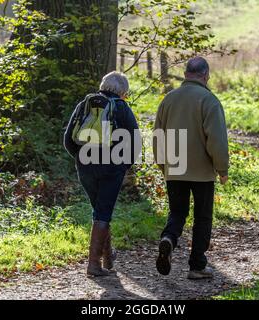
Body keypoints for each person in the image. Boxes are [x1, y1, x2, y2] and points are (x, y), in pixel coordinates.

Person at [153, 57, 229, 280]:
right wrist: (222, 169)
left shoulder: (168, 100)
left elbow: (158, 136)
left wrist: (163, 164)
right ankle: (197, 266)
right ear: (206, 75)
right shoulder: (209, 100)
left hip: (175, 167)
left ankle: (168, 238)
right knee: (202, 217)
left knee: (177, 212)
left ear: (186, 74)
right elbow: (216, 140)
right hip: (202, 171)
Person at [64, 71, 140, 277]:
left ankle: (107, 258)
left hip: (85, 166)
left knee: (99, 211)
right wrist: (124, 165)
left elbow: (68, 139)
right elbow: (135, 142)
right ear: (123, 91)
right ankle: (94, 265)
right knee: (103, 213)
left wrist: (81, 159)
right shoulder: (122, 108)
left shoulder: (84, 105)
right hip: (111, 167)